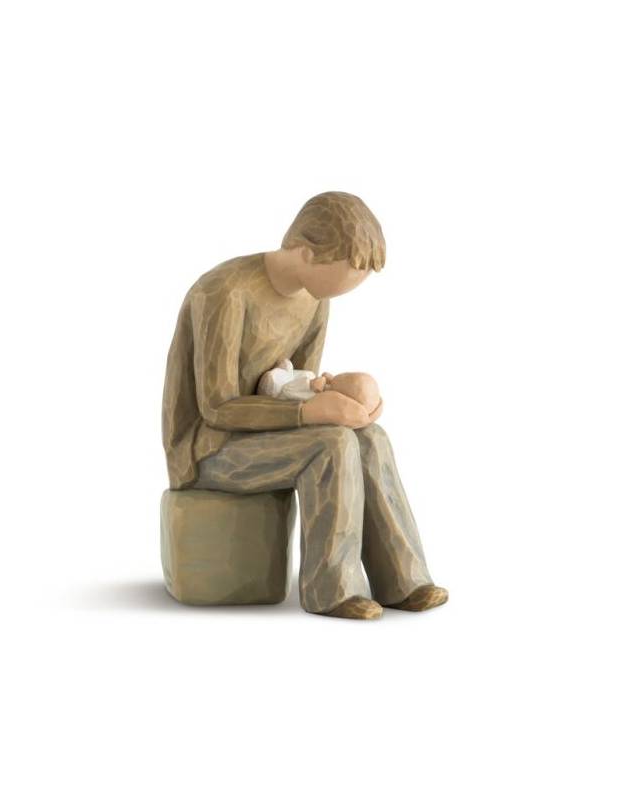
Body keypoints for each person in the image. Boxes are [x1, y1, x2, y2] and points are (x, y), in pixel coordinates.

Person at [161, 191, 448, 620]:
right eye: (349, 273)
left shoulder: (316, 299)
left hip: (265, 438)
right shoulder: (225, 291)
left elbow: (299, 385)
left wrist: (344, 399)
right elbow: (216, 406)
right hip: (209, 448)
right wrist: (313, 412)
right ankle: (331, 589)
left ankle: (404, 580)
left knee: (369, 438)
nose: (354, 286)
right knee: (331, 445)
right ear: (307, 253)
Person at [256, 357, 383, 420]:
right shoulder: (326, 386)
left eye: (347, 378)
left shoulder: (317, 400)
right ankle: (286, 371)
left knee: (274, 378)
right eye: (348, 375)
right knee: (307, 373)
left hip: (276, 392)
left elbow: (286, 391)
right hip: (289, 380)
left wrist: (309, 384)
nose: (343, 375)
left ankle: (282, 372)